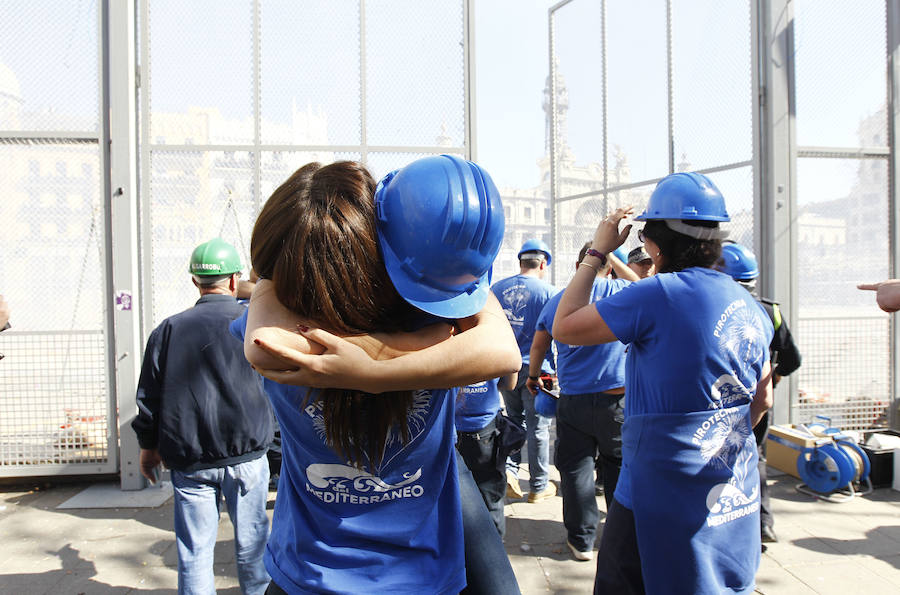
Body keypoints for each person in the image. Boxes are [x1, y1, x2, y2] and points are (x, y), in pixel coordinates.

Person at [234, 157, 521, 594]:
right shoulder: (439, 331)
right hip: (426, 575)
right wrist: (398, 356)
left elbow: (261, 331)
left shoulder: (285, 338)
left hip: (310, 574)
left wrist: (371, 372)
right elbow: (502, 349)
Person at [553, 172, 774, 594]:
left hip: (657, 490)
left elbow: (565, 326)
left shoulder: (658, 295)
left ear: (653, 243)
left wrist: (598, 251)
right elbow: (762, 396)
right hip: (732, 485)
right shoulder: (749, 304)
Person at [132, 238, 272, 595]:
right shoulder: (254, 325)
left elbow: (149, 397)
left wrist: (148, 448)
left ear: (195, 281)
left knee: (194, 554)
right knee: (253, 552)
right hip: (248, 457)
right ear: (234, 279)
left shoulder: (168, 330)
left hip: (190, 460)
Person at [529, 241, 629, 562]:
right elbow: (651, 288)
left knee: (575, 470)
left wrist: (533, 378)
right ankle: (619, 535)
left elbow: (539, 345)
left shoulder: (559, 300)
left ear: (577, 267)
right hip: (617, 401)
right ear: (610, 266)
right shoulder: (622, 292)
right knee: (618, 467)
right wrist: (611, 255)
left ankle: (581, 539)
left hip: (573, 401)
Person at [717, 242, 801, 545]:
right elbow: (792, 359)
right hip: (758, 403)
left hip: (719, 402)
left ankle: (726, 526)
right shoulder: (770, 310)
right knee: (754, 458)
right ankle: (763, 522)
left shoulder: (715, 308)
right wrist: (772, 378)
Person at [492, 238, 560, 502]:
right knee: (538, 428)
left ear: (521, 262)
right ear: (542, 264)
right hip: (537, 369)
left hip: (506, 365)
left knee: (513, 420)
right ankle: (538, 486)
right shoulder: (550, 293)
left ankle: (510, 471)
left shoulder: (498, 289)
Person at [455, 371, 518, 539]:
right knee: (491, 497)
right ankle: (494, 550)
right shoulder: (497, 343)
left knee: (451, 496)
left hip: (450, 425)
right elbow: (509, 382)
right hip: (484, 426)